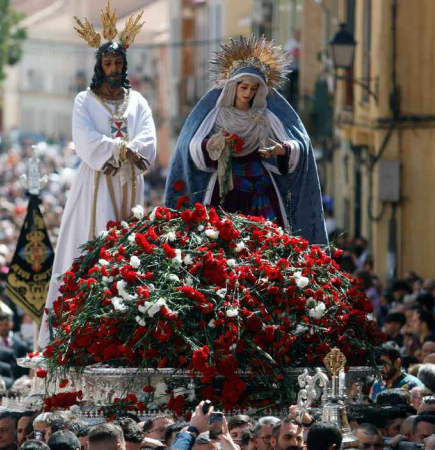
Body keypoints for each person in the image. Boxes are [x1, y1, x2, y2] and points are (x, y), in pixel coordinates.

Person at [39, 5, 156, 348]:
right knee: (94, 239)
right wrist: (121, 150)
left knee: (130, 244)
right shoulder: (84, 100)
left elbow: (147, 135)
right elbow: (84, 138)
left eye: (118, 63)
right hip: (97, 181)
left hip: (131, 181)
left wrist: (134, 151)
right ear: (99, 66)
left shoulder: (137, 101)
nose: (114, 68)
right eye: (108, 63)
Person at [165, 35, 326, 246]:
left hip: (261, 186)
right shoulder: (217, 115)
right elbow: (190, 145)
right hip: (225, 186)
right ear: (233, 86)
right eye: (244, 87)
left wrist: (281, 150)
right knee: (220, 241)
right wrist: (216, 144)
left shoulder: (264, 117)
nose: (248, 93)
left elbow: (299, 144)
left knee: (266, 242)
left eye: (254, 88)